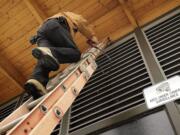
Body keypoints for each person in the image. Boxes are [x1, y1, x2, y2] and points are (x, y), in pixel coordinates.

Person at [24, 12, 99, 99]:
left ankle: (36, 80)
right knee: (75, 54)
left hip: (40, 35)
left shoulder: (48, 20)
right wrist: (91, 36)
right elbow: (80, 21)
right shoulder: (68, 15)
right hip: (55, 25)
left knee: (45, 59)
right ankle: (50, 52)